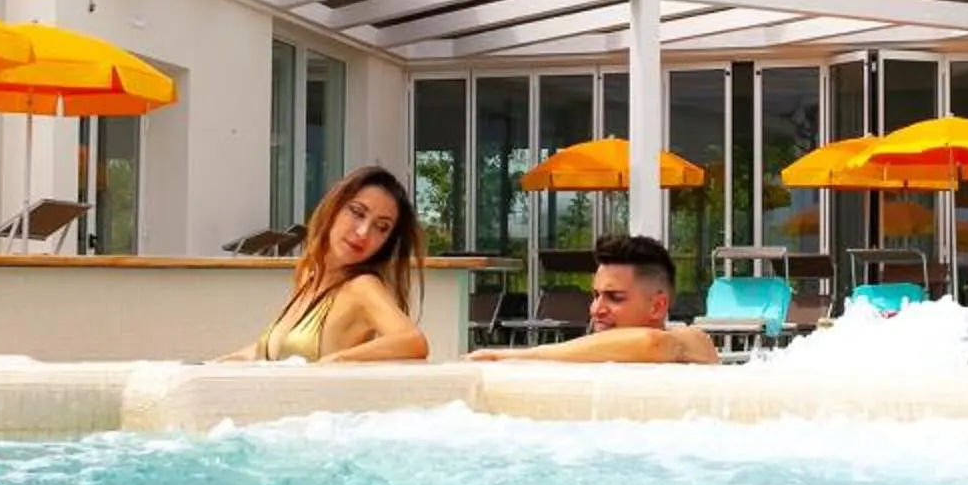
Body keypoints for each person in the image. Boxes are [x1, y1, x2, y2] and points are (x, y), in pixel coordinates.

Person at [216, 166, 430, 363]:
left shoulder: (362, 286)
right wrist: (219, 364)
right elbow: (279, 348)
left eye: (381, 227)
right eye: (357, 212)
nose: (363, 232)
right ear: (333, 208)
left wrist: (339, 360)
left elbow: (413, 341)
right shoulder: (308, 276)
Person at [470, 233, 719, 364]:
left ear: (658, 306)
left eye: (615, 297)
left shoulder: (688, 342)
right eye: (596, 296)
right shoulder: (585, 357)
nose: (597, 309)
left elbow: (652, 342)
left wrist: (507, 356)